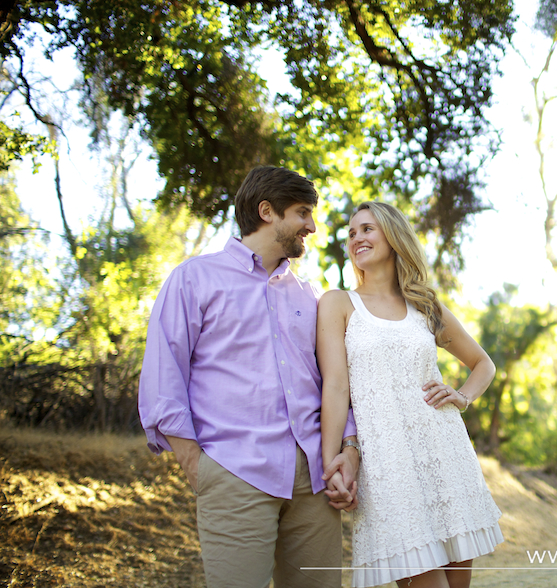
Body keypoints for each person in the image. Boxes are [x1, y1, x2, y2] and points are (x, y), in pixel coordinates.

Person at [138, 166, 360, 588]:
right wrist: (195, 464)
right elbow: (162, 377)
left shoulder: (311, 296)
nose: (312, 227)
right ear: (266, 212)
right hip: (234, 473)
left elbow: (334, 383)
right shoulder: (194, 278)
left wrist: (348, 449)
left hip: (314, 484)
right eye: (302, 213)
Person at [318, 201, 503, 588]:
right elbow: (335, 387)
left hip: (444, 453)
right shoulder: (338, 303)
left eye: (366, 229)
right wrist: (332, 461)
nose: (356, 239)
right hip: (389, 468)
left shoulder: (425, 304)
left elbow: (483, 363)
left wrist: (462, 397)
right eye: (351, 233)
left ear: (392, 234)